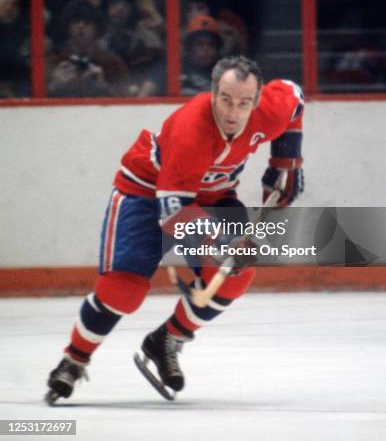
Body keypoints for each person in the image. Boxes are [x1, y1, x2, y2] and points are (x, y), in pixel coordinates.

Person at [45, 56, 304, 402]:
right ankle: (73, 359)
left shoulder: (269, 112)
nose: (232, 111)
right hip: (146, 192)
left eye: (243, 103)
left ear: (256, 102)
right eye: (225, 99)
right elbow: (175, 216)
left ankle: (166, 339)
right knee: (123, 290)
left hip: (213, 196)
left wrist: (286, 162)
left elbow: (295, 97)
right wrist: (221, 247)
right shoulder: (190, 129)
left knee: (236, 274)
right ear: (212, 93)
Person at [48, 0, 129, 97]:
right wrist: (53, 85)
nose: (81, 26)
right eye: (75, 21)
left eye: (87, 21)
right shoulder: (55, 63)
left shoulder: (113, 64)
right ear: (67, 27)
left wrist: (103, 87)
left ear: (96, 27)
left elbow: (125, 104)